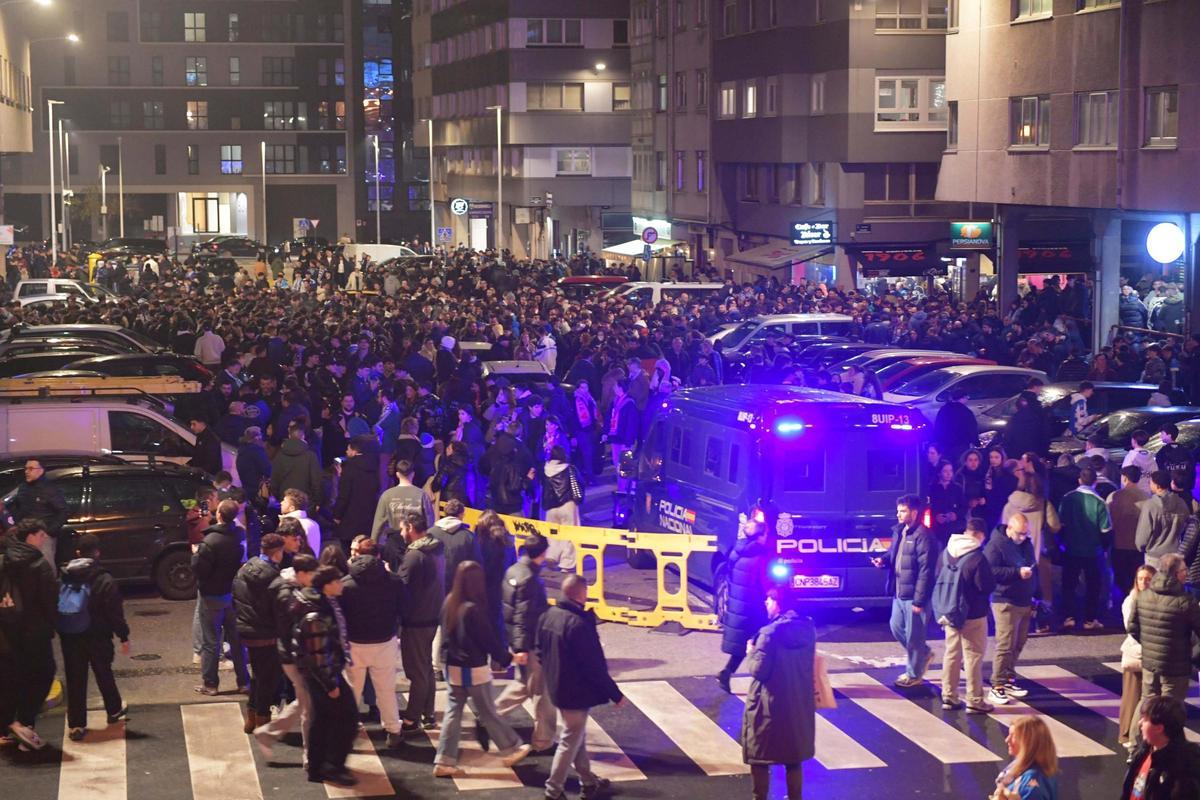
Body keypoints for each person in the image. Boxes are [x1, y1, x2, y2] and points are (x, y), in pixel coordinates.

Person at [433, 561, 532, 776]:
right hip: (472, 667)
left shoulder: (449, 602)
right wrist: (508, 658)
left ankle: (444, 760)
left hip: (452, 666)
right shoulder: (472, 610)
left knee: (453, 712)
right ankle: (511, 748)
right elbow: (488, 640)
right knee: (488, 711)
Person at [537, 574, 623, 800]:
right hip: (575, 692)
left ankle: (588, 780)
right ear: (581, 593)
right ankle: (553, 790)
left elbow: (539, 651)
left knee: (576, 736)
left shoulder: (548, 615)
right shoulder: (578, 624)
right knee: (569, 739)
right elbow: (594, 665)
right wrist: (615, 695)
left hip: (556, 686)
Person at [740, 587, 815, 800]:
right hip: (797, 701)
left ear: (778, 603)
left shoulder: (768, 634)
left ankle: (760, 797)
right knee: (793, 756)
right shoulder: (808, 629)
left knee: (760, 755)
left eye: (769, 599)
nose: (766, 602)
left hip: (768, 704)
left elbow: (759, 670)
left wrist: (751, 652)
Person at [58, 534, 131, 741]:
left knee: (75, 678)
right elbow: (115, 613)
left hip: (70, 635)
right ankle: (114, 710)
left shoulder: (64, 576)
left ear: (78, 553)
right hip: (98, 635)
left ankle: (77, 724)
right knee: (103, 673)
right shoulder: (104, 579)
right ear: (97, 552)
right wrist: (123, 636)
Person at [294, 565, 359, 787]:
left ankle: (320, 766)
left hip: (324, 672)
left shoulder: (325, 605)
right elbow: (318, 653)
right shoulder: (317, 614)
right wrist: (331, 683)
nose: (342, 584)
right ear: (327, 586)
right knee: (345, 716)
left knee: (323, 719)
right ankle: (330, 766)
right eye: (338, 581)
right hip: (323, 675)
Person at [252, 553, 318, 762]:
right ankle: (309, 755)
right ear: (301, 574)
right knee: (306, 704)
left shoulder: (287, 589)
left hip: (290, 653)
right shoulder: (289, 596)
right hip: (293, 655)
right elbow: (294, 629)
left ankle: (268, 733)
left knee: (304, 700)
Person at [340, 537, 405, 747]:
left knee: (352, 689)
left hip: (355, 643)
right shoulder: (393, 580)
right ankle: (393, 730)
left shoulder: (346, 584)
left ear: (357, 554)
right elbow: (403, 608)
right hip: (384, 640)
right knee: (386, 689)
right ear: (378, 555)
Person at [496, 533, 557, 754]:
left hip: (517, 638)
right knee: (541, 691)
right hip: (530, 642)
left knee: (524, 684)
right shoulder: (530, 579)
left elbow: (511, 611)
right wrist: (522, 648)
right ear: (541, 553)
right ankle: (544, 740)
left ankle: (491, 715)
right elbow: (524, 615)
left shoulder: (513, 570)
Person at [0, 519, 58, 750]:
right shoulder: (38, 565)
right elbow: (49, 602)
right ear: (31, 537)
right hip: (34, 632)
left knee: (11, 678)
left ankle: (5, 728)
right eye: (41, 535)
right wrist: (52, 625)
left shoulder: (5, 560)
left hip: (7, 628)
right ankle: (25, 723)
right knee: (43, 673)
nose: (44, 539)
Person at [872, 494, 937, 688]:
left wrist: (919, 601)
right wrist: (883, 560)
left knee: (914, 637)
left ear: (914, 512)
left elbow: (926, 571)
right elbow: (895, 554)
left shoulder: (924, 536)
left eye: (903, 511)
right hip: (899, 591)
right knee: (896, 627)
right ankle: (924, 654)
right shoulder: (900, 531)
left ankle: (914, 674)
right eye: (898, 510)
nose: (898, 514)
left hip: (914, 596)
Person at [935, 518, 996, 714]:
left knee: (951, 654)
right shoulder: (977, 557)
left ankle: (949, 696)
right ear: (980, 535)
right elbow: (985, 586)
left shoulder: (946, 552)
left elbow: (938, 576)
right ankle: (975, 699)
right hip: (973, 614)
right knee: (973, 657)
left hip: (950, 612)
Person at [192, 499, 250, 695]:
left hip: (213, 596)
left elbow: (200, 570)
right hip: (233, 594)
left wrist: (195, 556)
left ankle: (211, 684)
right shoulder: (238, 535)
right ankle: (244, 682)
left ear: (219, 515)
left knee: (211, 641)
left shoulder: (210, 542)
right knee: (237, 640)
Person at [1128, 553, 1200, 709]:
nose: (1187, 573)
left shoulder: (1144, 596)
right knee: (1171, 709)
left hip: (1150, 662)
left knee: (1147, 703)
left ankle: (1136, 734)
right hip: (1175, 665)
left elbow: (1132, 627)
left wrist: (1149, 645)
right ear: (1176, 574)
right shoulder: (1185, 602)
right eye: (1184, 570)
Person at [397, 511, 444, 736]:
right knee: (425, 667)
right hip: (432, 616)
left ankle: (411, 718)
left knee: (416, 671)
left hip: (415, 619)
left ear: (411, 528)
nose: (400, 532)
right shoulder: (437, 549)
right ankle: (428, 714)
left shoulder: (415, 555)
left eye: (402, 528)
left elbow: (401, 586)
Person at [232, 532, 285, 733]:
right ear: (277, 552)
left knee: (257, 675)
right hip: (266, 634)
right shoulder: (272, 577)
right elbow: (276, 609)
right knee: (267, 678)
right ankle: (262, 719)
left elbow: (237, 597)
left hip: (247, 630)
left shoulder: (245, 569)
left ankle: (251, 717)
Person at [985, 512, 1036, 707]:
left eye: (1025, 533)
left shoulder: (1025, 544)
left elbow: (1033, 567)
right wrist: (1016, 573)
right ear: (1009, 529)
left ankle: (1007, 678)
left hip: (1024, 600)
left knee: (1019, 642)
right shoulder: (996, 545)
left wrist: (1034, 592)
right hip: (1005, 600)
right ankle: (996, 685)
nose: (1023, 537)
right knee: (1005, 645)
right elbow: (990, 571)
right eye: (1020, 533)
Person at [718, 508, 771, 694]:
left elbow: (730, 572)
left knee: (743, 642)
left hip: (738, 603)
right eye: (765, 534)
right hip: (754, 606)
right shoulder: (761, 556)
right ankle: (765, 680)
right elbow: (765, 582)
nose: (767, 537)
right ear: (759, 536)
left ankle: (726, 673)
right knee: (766, 640)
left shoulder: (738, 550)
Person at [1002, 471, 1060, 633]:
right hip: (1038, 554)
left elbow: (1003, 527)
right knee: (1040, 590)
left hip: (1014, 555)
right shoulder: (1043, 504)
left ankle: (1018, 623)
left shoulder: (1009, 505)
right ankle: (1040, 623)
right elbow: (1054, 525)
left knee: (1019, 590)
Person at [1056, 467, 1112, 631]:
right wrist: (1104, 548)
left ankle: (1069, 617)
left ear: (1079, 480)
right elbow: (1106, 530)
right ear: (1095, 482)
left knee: (1069, 585)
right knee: (1093, 585)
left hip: (1071, 549)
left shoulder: (1067, 498)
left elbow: (1061, 525)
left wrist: (1063, 543)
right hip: (1092, 552)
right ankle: (1089, 619)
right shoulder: (1099, 502)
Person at [1121, 696, 1200, 800]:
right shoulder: (1144, 751)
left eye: (1144, 719)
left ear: (1159, 728)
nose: (1140, 723)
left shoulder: (1184, 766)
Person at [1118, 565, 1157, 754]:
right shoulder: (1131, 600)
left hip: (1150, 652)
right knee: (1132, 696)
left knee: (1146, 696)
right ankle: (1126, 735)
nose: (1144, 582)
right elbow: (1131, 628)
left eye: (1148, 579)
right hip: (1137, 652)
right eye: (1141, 579)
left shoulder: (1155, 599)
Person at [7, 459, 67, 566]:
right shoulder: (23, 488)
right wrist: (17, 524)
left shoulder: (50, 489)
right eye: (26, 469)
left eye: (31, 469)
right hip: (24, 537)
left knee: (45, 566)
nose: (26, 471)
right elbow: (14, 506)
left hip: (42, 537)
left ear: (41, 471)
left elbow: (63, 511)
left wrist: (49, 531)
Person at [331, 434, 382, 550]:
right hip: (367, 520)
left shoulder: (349, 468)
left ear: (355, 451)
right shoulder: (374, 467)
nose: (346, 451)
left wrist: (337, 515)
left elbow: (344, 495)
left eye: (348, 449)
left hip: (349, 520)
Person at [993, 716, 1059, 800]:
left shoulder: (1032, 778)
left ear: (1028, 742)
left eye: (1013, 736)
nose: (1007, 740)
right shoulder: (1022, 766)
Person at [371, 458, 435, 544]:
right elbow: (430, 521)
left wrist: (373, 544)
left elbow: (378, 524)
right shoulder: (422, 495)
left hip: (394, 543)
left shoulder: (387, 495)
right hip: (417, 541)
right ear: (413, 474)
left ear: (397, 474)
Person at [1135, 471, 1190, 570]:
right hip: (1175, 555)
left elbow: (1143, 536)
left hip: (1154, 557)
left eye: (1150, 482)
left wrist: (1141, 547)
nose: (1149, 484)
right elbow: (1187, 527)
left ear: (1157, 486)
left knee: (1155, 584)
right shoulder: (1181, 503)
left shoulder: (1150, 505)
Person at [542, 445, 584, 572]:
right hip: (568, 505)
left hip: (551, 507)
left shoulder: (545, 469)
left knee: (552, 534)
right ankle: (566, 563)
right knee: (570, 534)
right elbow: (579, 484)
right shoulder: (569, 469)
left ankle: (552, 555)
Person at [1110, 466, 1151, 595]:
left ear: (1124, 478)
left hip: (1118, 545)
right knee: (1137, 581)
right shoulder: (1147, 498)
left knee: (1121, 581)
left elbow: (1108, 522)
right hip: (1138, 547)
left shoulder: (1114, 496)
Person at [271, 420, 324, 507]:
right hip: (305, 501)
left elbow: (274, 481)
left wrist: (280, 498)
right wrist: (317, 502)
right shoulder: (311, 456)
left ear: (289, 436)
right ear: (303, 436)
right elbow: (316, 481)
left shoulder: (279, 455)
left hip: (286, 501)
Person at [933, 387, 978, 465]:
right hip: (961, 445)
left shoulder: (944, 410)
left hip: (946, 444)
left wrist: (938, 441)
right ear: (963, 398)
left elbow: (938, 426)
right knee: (959, 465)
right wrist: (976, 442)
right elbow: (972, 428)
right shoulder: (966, 412)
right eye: (966, 397)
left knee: (947, 465)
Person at [1123, 430, 1157, 494]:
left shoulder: (1131, 456)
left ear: (1134, 440)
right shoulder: (1151, 456)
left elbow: (1125, 475)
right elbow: (1155, 474)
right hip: (1149, 492)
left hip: (1135, 492)